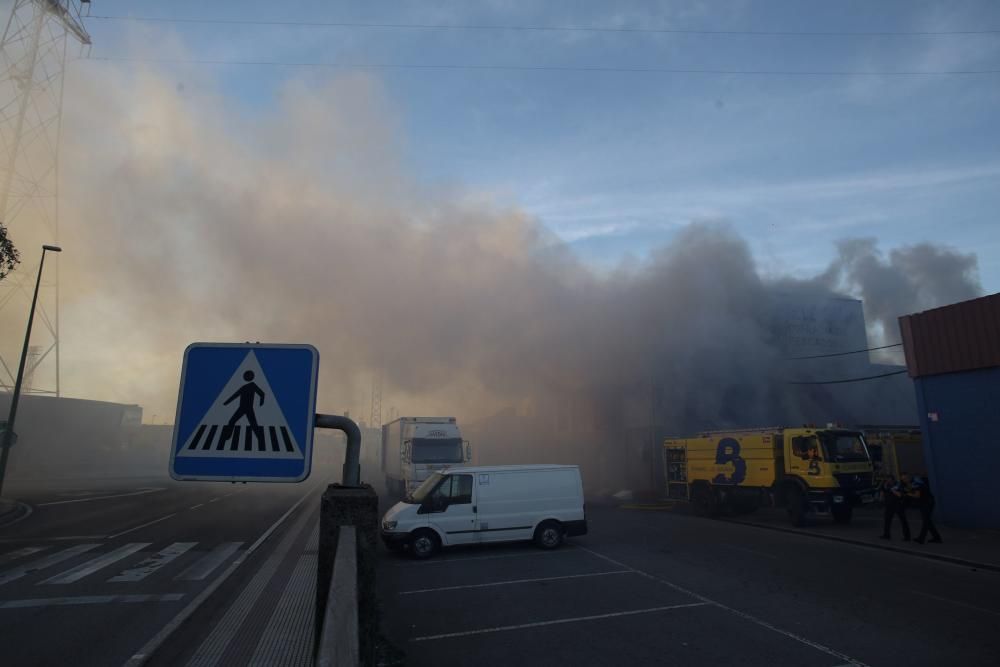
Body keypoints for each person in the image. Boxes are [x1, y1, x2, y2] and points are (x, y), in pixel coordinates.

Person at [909, 475, 943, 544]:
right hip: (928, 503)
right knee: (928, 521)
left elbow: (917, 495)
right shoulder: (921, 484)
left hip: (926, 504)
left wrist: (909, 494)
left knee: (926, 521)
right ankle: (937, 537)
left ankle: (921, 538)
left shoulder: (917, 485)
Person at [880, 475, 910, 541]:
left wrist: (892, 490)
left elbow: (900, 495)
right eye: (887, 479)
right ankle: (886, 535)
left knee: (903, 520)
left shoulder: (898, 485)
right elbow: (882, 492)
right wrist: (881, 499)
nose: (888, 481)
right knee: (887, 520)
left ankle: (907, 536)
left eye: (889, 480)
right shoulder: (885, 484)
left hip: (898, 505)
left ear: (893, 480)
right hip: (889, 505)